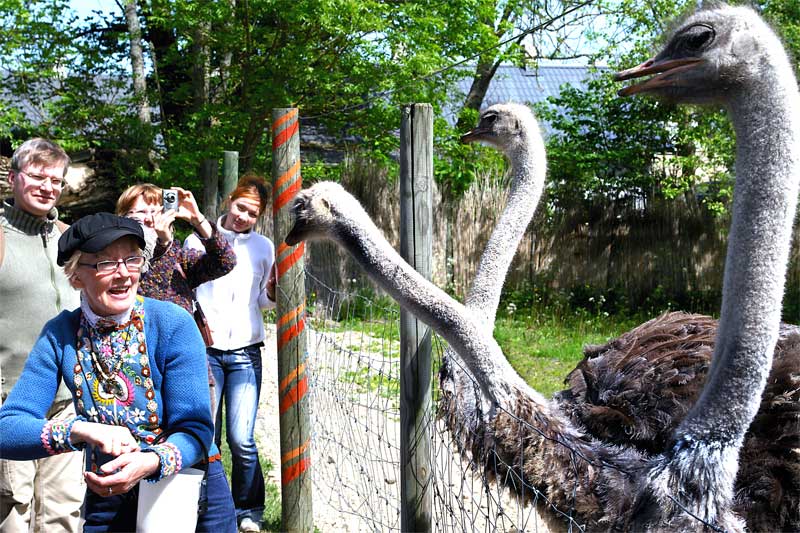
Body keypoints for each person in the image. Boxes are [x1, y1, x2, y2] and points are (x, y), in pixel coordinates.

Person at [0, 213, 214, 532]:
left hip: (181, 485)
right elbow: (8, 429)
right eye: (104, 264)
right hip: (108, 493)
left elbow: (196, 429)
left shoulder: (171, 324)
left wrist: (149, 462)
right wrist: (82, 431)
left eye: (131, 260)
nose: (123, 274)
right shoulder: (60, 334)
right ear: (75, 277)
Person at [116, 185, 238, 532]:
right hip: (136, 382)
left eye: (155, 210)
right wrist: (150, 243)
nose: (148, 218)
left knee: (200, 452)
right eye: (138, 213)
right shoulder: (119, 261)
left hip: (191, 377)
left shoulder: (179, 256)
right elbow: (133, 282)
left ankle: (204, 517)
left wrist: (197, 219)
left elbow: (225, 261)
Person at [0, 138, 84, 532]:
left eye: (56, 180)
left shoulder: (71, 239)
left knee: (63, 512)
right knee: (12, 511)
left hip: (67, 402)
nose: (47, 186)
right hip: (9, 402)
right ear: (14, 178)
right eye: (37, 176)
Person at [185, 175, 276, 533]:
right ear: (228, 201)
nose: (244, 217)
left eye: (253, 213)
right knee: (207, 435)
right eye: (241, 207)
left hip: (244, 351)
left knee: (242, 439)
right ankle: (205, 506)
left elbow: (263, 302)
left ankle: (248, 510)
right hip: (205, 350)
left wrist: (273, 293)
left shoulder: (264, 248)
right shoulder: (197, 239)